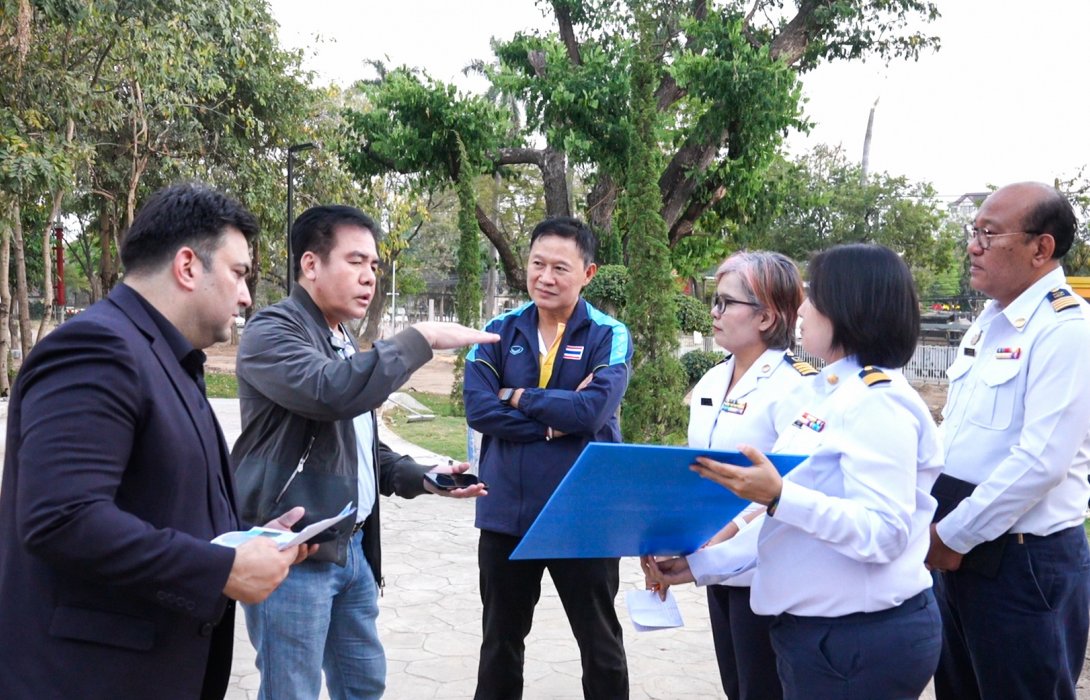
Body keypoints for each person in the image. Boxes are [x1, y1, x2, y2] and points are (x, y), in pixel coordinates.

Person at [0, 182, 310, 699]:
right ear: (188, 266)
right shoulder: (98, 348)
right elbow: (62, 517)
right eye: (238, 274)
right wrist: (221, 570)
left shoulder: (167, 357)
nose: (246, 296)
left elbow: (157, 499)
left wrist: (246, 538)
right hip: (88, 677)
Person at [645, 243, 944, 700]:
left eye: (816, 297)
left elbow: (885, 532)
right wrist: (699, 564)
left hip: (855, 640)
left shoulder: (878, 401)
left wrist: (780, 496)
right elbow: (785, 531)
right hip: (818, 635)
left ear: (851, 308)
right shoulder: (832, 393)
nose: (801, 308)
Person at [231, 204, 498, 700]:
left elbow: (356, 445)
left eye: (373, 266)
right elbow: (331, 393)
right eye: (355, 261)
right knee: (291, 691)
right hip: (294, 555)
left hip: (352, 550)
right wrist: (421, 340)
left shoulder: (342, 338)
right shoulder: (272, 332)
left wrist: (421, 475)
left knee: (363, 685)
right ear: (310, 265)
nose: (369, 276)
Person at [927, 182, 1090, 700]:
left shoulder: (1065, 329)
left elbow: (1041, 462)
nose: (972, 246)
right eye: (973, 232)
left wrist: (952, 536)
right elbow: (955, 432)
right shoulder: (990, 322)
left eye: (989, 234)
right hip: (961, 546)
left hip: (1023, 563)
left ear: (1041, 248)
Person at [464, 216, 632, 699]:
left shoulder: (608, 334)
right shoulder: (497, 331)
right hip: (506, 515)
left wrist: (514, 396)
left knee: (600, 646)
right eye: (538, 264)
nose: (546, 276)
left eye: (561, 267)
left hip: (585, 515)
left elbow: (594, 407)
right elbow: (478, 409)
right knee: (500, 643)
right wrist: (561, 420)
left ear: (589, 273)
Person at [683, 251, 811, 700]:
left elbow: (788, 487)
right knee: (736, 686)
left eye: (725, 303)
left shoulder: (797, 386)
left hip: (764, 571)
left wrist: (720, 538)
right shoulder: (711, 381)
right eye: (713, 301)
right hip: (713, 564)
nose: (714, 313)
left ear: (766, 316)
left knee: (763, 688)